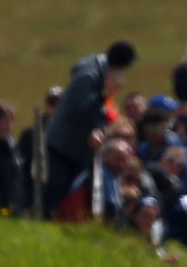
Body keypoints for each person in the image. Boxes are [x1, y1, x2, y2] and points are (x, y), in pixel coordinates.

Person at [45, 41, 137, 213]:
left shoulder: (98, 69)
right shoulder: (88, 75)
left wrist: (95, 129)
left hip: (76, 145)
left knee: (65, 190)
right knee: (55, 190)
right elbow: (78, 110)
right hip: (63, 144)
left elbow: (95, 113)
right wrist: (105, 94)